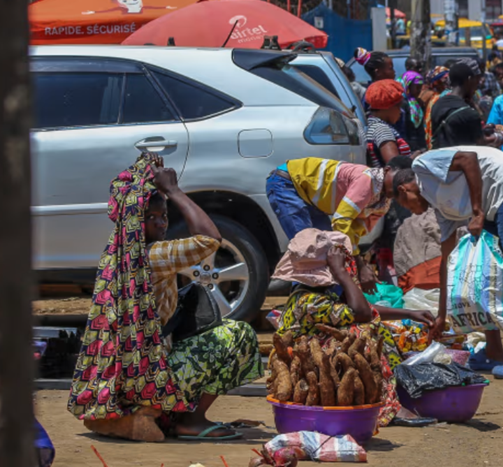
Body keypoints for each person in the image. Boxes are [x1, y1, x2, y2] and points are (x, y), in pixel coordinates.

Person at [69, 155, 262, 442]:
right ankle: (191, 421)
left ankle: (146, 413)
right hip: (149, 380)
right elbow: (210, 239)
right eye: (152, 218)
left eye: (164, 215)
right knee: (238, 334)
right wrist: (174, 191)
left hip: (124, 382)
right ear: (135, 220)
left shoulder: (114, 255)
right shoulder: (153, 256)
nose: (161, 223)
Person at [393, 147, 503, 378]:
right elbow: (446, 261)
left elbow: (468, 159)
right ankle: (494, 351)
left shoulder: (421, 166)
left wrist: (477, 212)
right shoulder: (441, 208)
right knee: (486, 274)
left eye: (406, 204)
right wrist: (441, 315)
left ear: (404, 189)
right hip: (491, 204)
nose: (412, 211)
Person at [272, 229, 436, 427]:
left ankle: (391, 395)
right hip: (308, 364)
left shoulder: (314, 294)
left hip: (316, 355)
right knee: (364, 334)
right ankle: (387, 404)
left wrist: (409, 313)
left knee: (372, 329)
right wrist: (341, 274)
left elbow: (361, 309)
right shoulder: (311, 302)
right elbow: (363, 314)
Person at [265, 157, 407, 293]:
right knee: (308, 250)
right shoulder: (367, 180)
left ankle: (329, 301)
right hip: (287, 183)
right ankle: (304, 306)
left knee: (329, 252)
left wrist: (356, 264)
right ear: (387, 170)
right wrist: (359, 264)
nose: (398, 185)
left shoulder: (382, 203)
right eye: (398, 178)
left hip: (310, 198)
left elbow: (354, 231)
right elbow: (341, 221)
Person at [431, 60, 503, 149]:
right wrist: (498, 137)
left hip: (439, 158)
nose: (477, 84)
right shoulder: (468, 112)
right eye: (476, 79)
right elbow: (481, 142)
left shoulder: (437, 104)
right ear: (469, 79)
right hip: (461, 160)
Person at [365, 80, 412, 168]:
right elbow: (395, 166)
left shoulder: (373, 124)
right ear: (387, 107)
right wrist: (416, 158)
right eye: (398, 106)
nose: (401, 112)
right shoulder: (382, 130)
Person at [400, 70, 428, 152]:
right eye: (417, 87)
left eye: (420, 87)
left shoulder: (417, 103)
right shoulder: (403, 103)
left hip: (419, 144)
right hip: (409, 146)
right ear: (408, 85)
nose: (419, 91)